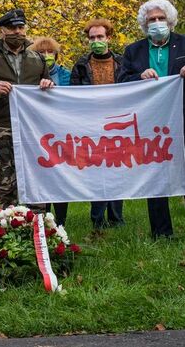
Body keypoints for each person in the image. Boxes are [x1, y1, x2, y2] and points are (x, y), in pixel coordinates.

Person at [121, 0, 185, 239]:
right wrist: (139, 76)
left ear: (170, 21)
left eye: (161, 18)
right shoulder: (133, 51)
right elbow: (121, 82)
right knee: (155, 177)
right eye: (152, 20)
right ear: (144, 24)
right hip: (149, 124)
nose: (157, 23)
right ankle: (161, 233)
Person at [0, 8, 54, 208]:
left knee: (35, 179)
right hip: (0, 129)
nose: (16, 31)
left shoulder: (37, 59)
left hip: (31, 129)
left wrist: (48, 86)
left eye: (20, 27)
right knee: (5, 183)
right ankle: (9, 226)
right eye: (11, 27)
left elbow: (50, 92)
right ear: (2, 32)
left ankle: (37, 229)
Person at [70, 18, 129, 230]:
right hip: (91, 126)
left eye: (100, 37)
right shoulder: (80, 66)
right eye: (92, 38)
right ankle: (97, 218)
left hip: (117, 125)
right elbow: (73, 97)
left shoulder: (123, 63)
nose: (96, 41)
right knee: (97, 171)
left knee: (116, 170)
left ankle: (116, 217)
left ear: (109, 38)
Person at [28, 36, 71, 225]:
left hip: (62, 132)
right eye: (41, 53)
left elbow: (72, 97)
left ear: (56, 54)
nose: (46, 55)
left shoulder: (66, 74)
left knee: (61, 175)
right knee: (42, 174)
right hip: (38, 133)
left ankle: (60, 222)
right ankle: (43, 219)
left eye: (50, 52)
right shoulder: (29, 76)